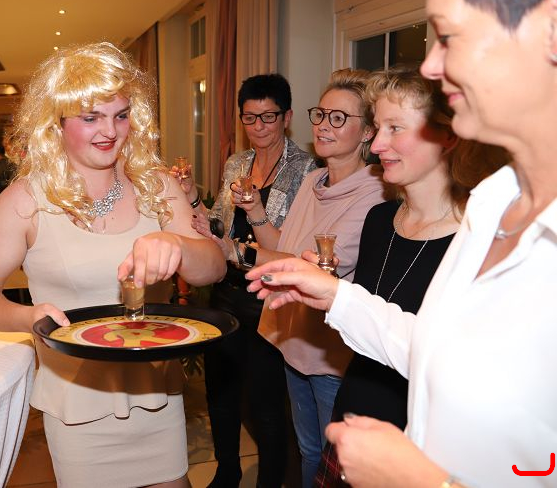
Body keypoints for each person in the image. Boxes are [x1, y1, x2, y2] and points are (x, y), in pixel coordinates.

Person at [245, 0, 557, 486]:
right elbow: (440, 353)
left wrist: (422, 480)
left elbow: (537, 465)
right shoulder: (492, 204)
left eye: (448, 36)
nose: (431, 65)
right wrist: (336, 295)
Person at [0, 42, 226, 488]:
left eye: (121, 115)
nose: (110, 131)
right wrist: (28, 316)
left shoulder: (157, 187)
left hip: (155, 394)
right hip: (77, 403)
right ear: (57, 122)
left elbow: (213, 268)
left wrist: (177, 243)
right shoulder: (25, 201)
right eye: (91, 118)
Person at [313, 66, 508, 486]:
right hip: (352, 420)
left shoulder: (479, 240)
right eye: (378, 128)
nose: (376, 145)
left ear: (447, 137)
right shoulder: (378, 218)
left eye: (395, 128)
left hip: (418, 450)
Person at [252, 69, 389, 488]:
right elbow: (284, 245)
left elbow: (311, 269)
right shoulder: (314, 179)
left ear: (368, 132)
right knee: (308, 449)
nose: (324, 126)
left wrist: (237, 254)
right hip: (295, 337)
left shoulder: (376, 193)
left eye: (339, 118)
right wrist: (254, 212)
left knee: (334, 460)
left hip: (331, 351)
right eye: (321, 114)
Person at [178, 73, 316, 488]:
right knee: (220, 393)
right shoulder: (237, 163)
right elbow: (219, 226)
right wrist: (191, 196)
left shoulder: (306, 169)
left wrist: (256, 210)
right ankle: (227, 472)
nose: (259, 127)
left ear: (287, 117)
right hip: (227, 292)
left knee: (265, 404)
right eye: (250, 117)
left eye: (268, 117)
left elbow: (292, 246)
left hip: (269, 297)